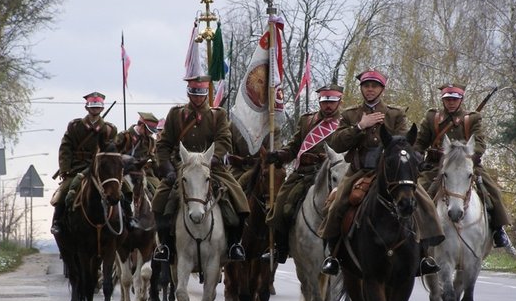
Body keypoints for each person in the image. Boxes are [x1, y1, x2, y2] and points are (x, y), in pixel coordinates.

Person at [319, 70, 444, 276]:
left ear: (382, 89)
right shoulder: (350, 115)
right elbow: (336, 143)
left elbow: (402, 142)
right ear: (361, 88)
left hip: (390, 172)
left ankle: (424, 255)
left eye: (374, 86)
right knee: (337, 203)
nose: (370, 89)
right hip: (359, 171)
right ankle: (333, 256)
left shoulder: (395, 114)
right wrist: (360, 126)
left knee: (423, 202)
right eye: (366, 86)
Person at [152, 75, 249, 261]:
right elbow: (163, 144)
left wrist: (212, 159)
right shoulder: (176, 114)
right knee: (160, 201)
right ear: (189, 93)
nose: (198, 97)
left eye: (201, 93)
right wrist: (167, 168)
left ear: (206, 94)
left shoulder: (217, 115)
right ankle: (165, 246)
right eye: (194, 93)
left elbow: (224, 140)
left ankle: (234, 245)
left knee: (239, 200)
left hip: (210, 166)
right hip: (182, 167)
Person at [414, 83, 512, 249]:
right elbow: (420, 142)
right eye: (448, 99)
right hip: (436, 167)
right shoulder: (432, 118)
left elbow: (480, 143)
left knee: (492, 191)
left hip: (467, 164)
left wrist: (468, 157)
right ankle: (414, 233)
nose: (451, 102)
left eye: (454, 99)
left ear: (461, 100)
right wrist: (417, 158)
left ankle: (498, 230)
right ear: (443, 100)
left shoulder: (472, 118)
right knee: (420, 192)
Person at [264, 84, 344, 263]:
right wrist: (279, 155)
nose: (328, 106)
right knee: (281, 208)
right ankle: (281, 248)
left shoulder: (346, 123)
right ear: (320, 101)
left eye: (332, 101)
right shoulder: (307, 120)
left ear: (339, 101)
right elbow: (294, 147)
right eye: (325, 101)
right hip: (305, 173)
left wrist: (324, 158)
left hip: (332, 174)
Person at [50, 91, 132, 234]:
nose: (95, 109)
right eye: (92, 106)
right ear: (87, 108)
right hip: (78, 166)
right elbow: (65, 148)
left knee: (124, 188)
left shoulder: (110, 129)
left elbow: (111, 150)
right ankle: (57, 222)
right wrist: (65, 169)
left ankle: (128, 218)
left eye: (97, 107)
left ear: (102, 109)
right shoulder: (75, 126)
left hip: (101, 166)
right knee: (65, 190)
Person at [115, 111, 161, 194]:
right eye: (149, 131)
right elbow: (112, 156)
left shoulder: (151, 142)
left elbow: (154, 162)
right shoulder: (123, 136)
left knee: (158, 191)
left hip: (144, 173)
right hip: (122, 172)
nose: (151, 134)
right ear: (142, 126)